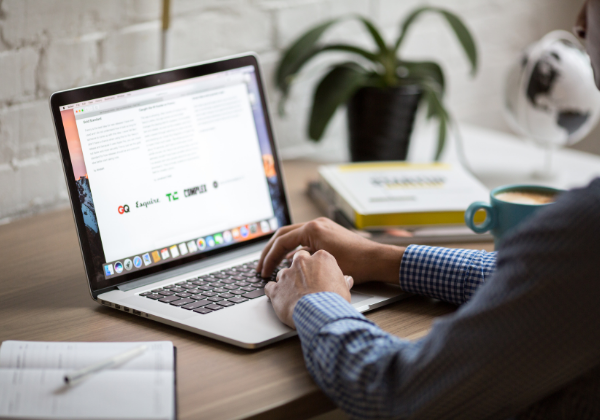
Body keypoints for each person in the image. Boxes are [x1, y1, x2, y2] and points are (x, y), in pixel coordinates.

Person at [258, 2, 600, 418]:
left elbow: (397, 392)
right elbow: (549, 284)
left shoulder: (586, 225)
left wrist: (315, 302)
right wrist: (381, 257)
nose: (579, 23)